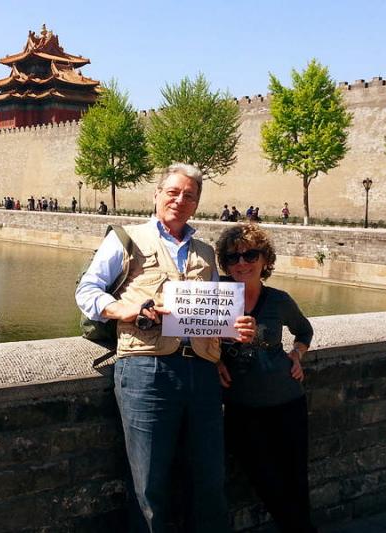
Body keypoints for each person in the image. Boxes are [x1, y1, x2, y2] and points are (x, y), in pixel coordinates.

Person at [76, 163, 256, 531]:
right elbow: (87, 291)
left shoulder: (207, 253)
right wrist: (127, 308)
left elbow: (210, 314)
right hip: (146, 371)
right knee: (149, 485)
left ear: (197, 204)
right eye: (173, 192)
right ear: (156, 195)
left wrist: (232, 331)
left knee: (209, 479)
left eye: (189, 195)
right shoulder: (126, 239)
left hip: (203, 374)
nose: (180, 200)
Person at [215, 223, 316, 533]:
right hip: (242, 408)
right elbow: (191, 331)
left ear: (264, 260)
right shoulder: (214, 295)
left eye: (250, 255)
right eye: (233, 258)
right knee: (265, 480)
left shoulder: (278, 300)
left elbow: (305, 330)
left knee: (295, 480)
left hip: (287, 402)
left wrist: (297, 354)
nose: (242, 263)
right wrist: (215, 359)